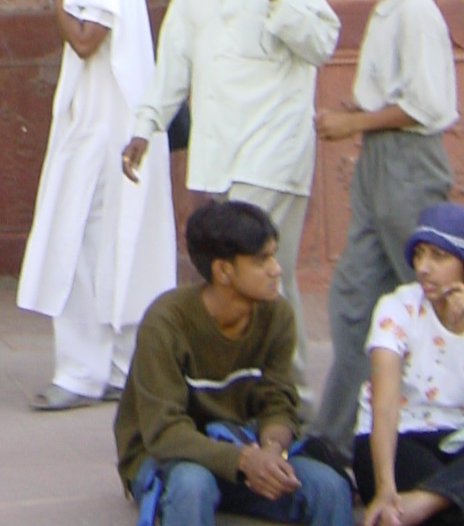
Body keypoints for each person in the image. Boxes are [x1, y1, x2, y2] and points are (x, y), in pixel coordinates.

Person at [123, 0, 339, 383]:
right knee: (251, 280)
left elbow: (321, 44)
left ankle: (288, 397)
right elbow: (173, 60)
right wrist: (145, 126)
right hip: (220, 152)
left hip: (274, 150)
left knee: (256, 273)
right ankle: (258, 390)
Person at [19, 0, 177, 409]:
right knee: (112, 245)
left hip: (104, 136)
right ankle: (115, 369)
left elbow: (86, 41)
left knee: (82, 246)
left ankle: (81, 373)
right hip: (108, 130)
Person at [315, 0, 458, 457]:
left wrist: (353, 120)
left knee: (432, 290)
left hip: (407, 162)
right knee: (354, 298)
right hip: (379, 162)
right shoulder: (391, 8)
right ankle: (336, 440)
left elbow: (422, 104)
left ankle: (435, 423)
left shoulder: (418, 12)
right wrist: (355, 114)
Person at [115, 197, 353, 526]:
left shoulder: (278, 314)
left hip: (243, 444)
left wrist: (271, 451)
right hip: (168, 458)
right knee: (192, 486)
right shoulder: (166, 322)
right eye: (262, 260)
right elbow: (164, 432)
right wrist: (244, 459)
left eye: (273, 255)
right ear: (224, 270)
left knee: (330, 488)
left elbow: (278, 401)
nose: (276, 268)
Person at [352, 204, 464, 526]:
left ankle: (428, 499)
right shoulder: (398, 307)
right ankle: (440, 498)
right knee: (451, 519)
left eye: (439, 257)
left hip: (456, 437)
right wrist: (386, 489)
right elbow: (384, 406)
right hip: (399, 437)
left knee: (440, 511)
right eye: (420, 255)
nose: (424, 268)